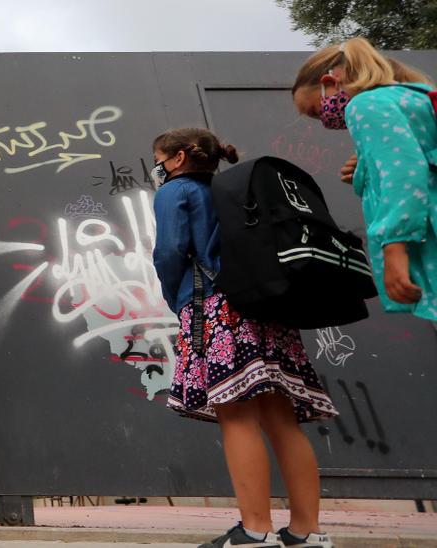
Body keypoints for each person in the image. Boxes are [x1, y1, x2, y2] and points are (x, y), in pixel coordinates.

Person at [151, 128, 338, 548]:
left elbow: (169, 252)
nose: (157, 167)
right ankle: (306, 532)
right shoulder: (232, 189)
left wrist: (175, 299)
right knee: (281, 420)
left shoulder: (175, 191)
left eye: (159, 158)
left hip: (216, 309)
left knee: (235, 415)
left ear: (178, 158)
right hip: (266, 307)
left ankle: (254, 531)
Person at [291, 37, 437, 323]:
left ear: (329, 82)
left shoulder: (365, 105)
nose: (324, 120)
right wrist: (365, 172)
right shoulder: (413, 96)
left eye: (315, 110)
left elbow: (404, 174)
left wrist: (395, 246)